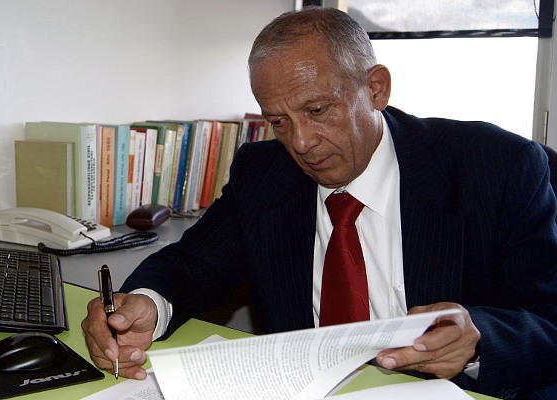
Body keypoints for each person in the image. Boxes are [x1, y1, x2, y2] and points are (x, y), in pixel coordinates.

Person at [82, 7, 557, 399]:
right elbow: (191, 264)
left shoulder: (499, 168)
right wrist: (143, 305)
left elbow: (547, 320)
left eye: (316, 110)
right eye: (279, 122)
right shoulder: (264, 172)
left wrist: (476, 342)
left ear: (375, 88)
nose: (302, 143)